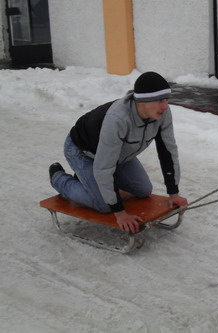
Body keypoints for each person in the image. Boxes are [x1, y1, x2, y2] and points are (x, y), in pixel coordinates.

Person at [49, 71, 188, 234]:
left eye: (166, 99)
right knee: (104, 205)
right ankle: (58, 178)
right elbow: (104, 167)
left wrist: (173, 192)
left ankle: (87, 180)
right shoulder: (117, 119)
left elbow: (168, 151)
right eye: (159, 100)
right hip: (82, 151)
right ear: (142, 101)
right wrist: (120, 213)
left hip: (118, 155)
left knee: (143, 190)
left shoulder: (161, 114)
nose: (165, 106)